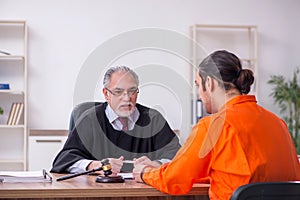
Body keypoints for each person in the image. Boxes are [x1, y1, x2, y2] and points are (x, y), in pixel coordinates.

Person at [133, 50, 300, 200]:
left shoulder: (212, 126)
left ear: (210, 83)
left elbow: (173, 181)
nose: (199, 94)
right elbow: (236, 172)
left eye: (198, 85)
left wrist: (144, 173)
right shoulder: (278, 123)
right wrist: (162, 167)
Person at [51, 66, 181, 174]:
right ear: (106, 94)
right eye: (118, 92)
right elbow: (64, 160)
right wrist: (96, 165)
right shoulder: (90, 119)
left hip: (143, 191)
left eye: (132, 91)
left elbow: (179, 157)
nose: (127, 98)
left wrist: (156, 164)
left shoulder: (153, 119)